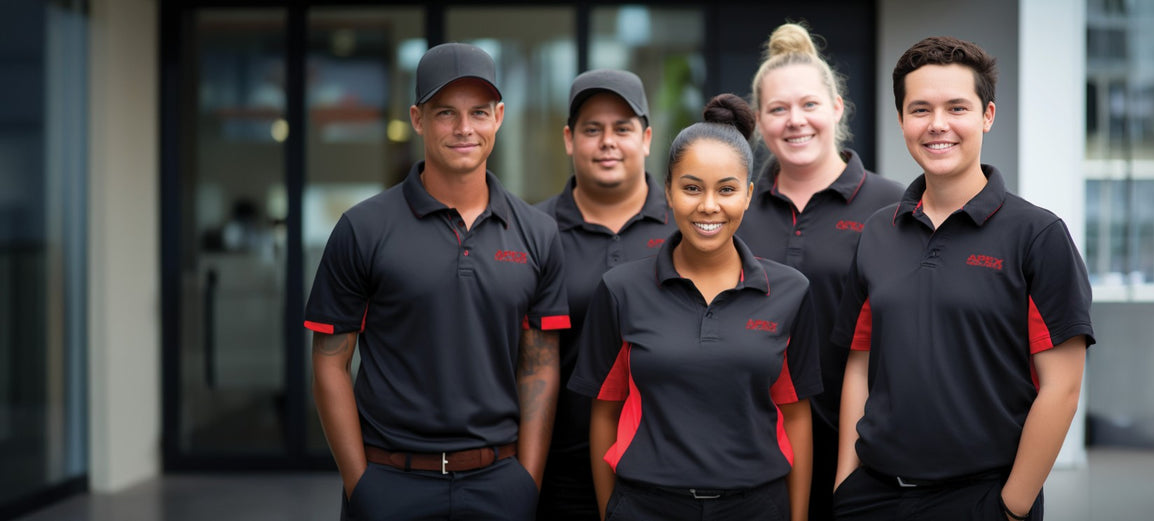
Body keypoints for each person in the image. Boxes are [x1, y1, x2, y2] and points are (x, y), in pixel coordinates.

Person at [830, 36, 1095, 521]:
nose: (937, 125)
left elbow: (1063, 388)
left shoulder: (1037, 236)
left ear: (987, 115)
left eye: (957, 108)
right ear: (901, 120)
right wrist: (846, 485)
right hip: (873, 498)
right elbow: (859, 364)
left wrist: (1010, 507)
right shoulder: (876, 233)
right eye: (920, 109)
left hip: (982, 500)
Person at [304, 42, 569, 521]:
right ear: (418, 118)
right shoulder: (362, 229)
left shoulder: (539, 233)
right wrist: (360, 485)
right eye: (446, 112)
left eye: (478, 112)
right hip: (390, 483)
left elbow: (540, 365)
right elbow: (328, 363)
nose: (464, 128)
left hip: (499, 485)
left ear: (499, 116)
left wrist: (525, 482)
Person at [568, 94, 820, 521]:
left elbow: (795, 416)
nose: (708, 206)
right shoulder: (620, 290)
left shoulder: (790, 291)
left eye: (726, 189)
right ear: (668, 191)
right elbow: (605, 412)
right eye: (691, 188)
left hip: (757, 507)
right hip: (646, 506)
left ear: (748, 195)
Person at [735, 23, 904, 520]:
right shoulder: (736, 209)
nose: (795, 121)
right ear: (760, 122)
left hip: (863, 450)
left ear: (836, 108)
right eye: (778, 109)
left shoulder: (891, 205)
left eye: (809, 104)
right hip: (753, 448)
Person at [534, 69, 675, 521]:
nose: (607, 142)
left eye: (622, 129)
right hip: (559, 472)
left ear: (648, 138)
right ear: (569, 139)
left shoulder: (687, 225)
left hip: (668, 467)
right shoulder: (533, 232)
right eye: (592, 130)